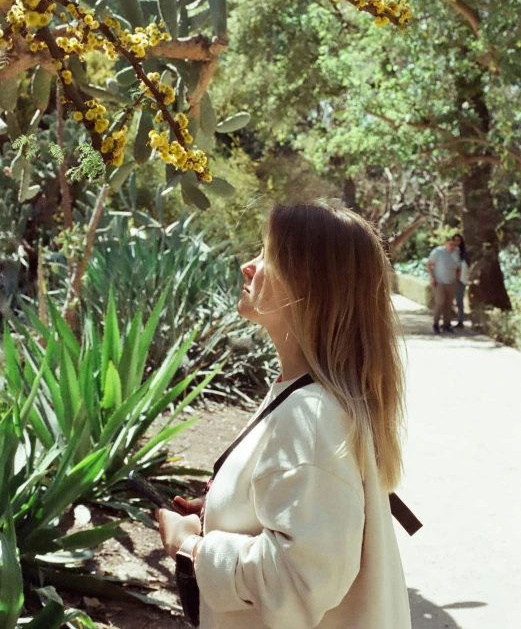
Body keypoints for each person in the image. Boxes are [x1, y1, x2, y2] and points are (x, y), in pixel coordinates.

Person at [156, 200, 411, 629]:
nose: (247, 266)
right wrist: (227, 508)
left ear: (306, 282)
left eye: (266, 255)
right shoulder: (312, 396)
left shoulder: (311, 418)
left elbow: (297, 580)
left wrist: (192, 547)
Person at [426, 236, 461, 334]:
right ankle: (435, 323)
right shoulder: (438, 252)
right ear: (445, 244)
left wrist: (457, 279)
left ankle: (446, 324)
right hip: (439, 282)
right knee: (440, 302)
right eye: (450, 244)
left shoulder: (456, 252)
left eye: (453, 245)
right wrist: (432, 277)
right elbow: (429, 265)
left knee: (448, 304)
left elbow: (459, 267)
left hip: (451, 282)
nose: (452, 246)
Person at [452, 233, 470, 329]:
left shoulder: (464, 254)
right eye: (454, 240)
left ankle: (460, 321)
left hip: (461, 281)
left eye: (458, 240)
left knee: (459, 301)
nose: (456, 242)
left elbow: (467, 267)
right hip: (450, 280)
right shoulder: (449, 252)